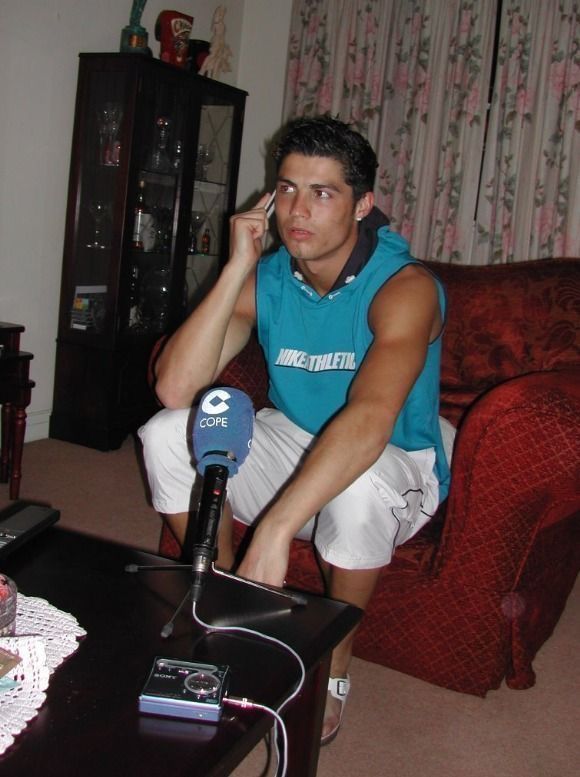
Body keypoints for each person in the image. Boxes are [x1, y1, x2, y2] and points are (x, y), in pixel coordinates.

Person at [139, 115, 453, 745]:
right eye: (286, 189)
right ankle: (224, 609)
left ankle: (335, 665)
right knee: (167, 432)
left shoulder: (405, 286)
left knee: (356, 490)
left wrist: (277, 528)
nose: (297, 211)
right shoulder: (273, 277)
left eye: (323, 192)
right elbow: (176, 387)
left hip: (393, 456)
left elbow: (369, 420)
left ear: (363, 204)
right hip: (294, 438)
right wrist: (238, 267)